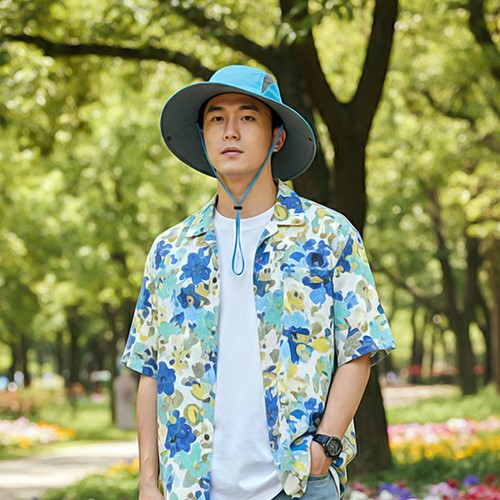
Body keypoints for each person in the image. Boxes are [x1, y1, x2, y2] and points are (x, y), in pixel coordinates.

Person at [121, 65, 396, 500]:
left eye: (248, 117)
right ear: (203, 136)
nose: (230, 131)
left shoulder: (327, 235)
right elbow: (149, 368)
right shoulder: (171, 250)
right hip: (192, 486)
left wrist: (323, 448)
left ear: (277, 137)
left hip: (297, 483)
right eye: (217, 118)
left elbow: (359, 347)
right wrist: (146, 482)